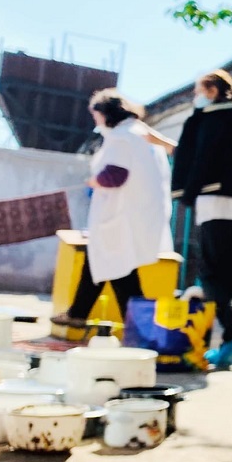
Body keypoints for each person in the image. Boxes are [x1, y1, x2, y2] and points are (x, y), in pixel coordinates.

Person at [51, 89, 173, 329]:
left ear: (107, 114)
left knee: (117, 267)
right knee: (102, 261)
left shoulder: (121, 136)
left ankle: (140, 327)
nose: (95, 122)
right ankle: (78, 313)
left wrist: (95, 181)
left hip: (119, 216)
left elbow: (115, 175)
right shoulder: (139, 133)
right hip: (134, 214)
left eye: (96, 116)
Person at [166, 69, 232, 368]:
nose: (196, 97)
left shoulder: (210, 119)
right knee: (228, 273)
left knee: (209, 273)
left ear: (210, 91)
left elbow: (201, 158)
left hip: (216, 200)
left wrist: (187, 193)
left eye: (198, 90)